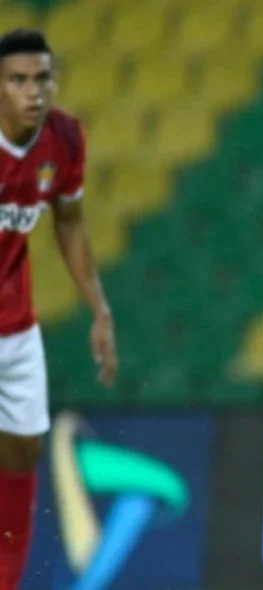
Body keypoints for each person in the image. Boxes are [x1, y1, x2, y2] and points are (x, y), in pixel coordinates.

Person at [0, 28, 118, 589]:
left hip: (15, 323)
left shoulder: (65, 138)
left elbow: (68, 221)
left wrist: (99, 309)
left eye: (42, 78)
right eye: (18, 80)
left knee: (24, 449)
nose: (33, 91)